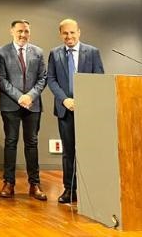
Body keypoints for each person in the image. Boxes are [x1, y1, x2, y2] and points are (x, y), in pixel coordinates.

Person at [46, 18, 104, 204]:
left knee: (88, 151)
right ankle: (70, 190)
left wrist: (84, 101)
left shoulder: (92, 52)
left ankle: (91, 191)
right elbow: (51, 80)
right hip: (65, 111)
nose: (69, 36)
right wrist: (65, 100)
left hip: (87, 110)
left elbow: (99, 79)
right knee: (68, 152)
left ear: (79, 32)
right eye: (65, 33)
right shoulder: (55, 54)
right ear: (60, 34)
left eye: (72, 32)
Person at [0, 19, 48, 200]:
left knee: (32, 143)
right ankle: (8, 183)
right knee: (11, 142)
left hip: (32, 105)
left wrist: (30, 96)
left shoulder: (38, 52)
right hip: (10, 104)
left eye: (26, 31)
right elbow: (1, 80)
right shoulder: (1, 52)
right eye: (19, 31)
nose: (23, 34)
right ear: (12, 31)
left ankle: (35, 184)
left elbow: (43, 78)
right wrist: (19, 97)